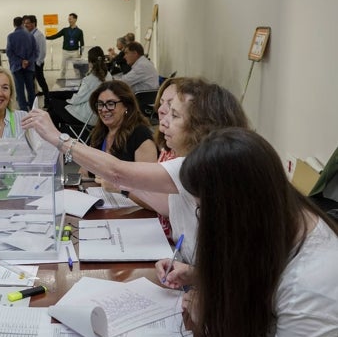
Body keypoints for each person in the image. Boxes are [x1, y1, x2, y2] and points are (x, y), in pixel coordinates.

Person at [166, 128, 338, 337]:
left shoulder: (311, 281)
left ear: (239, 210)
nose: (203, 219)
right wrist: (200, 275)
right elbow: (264, 273)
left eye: (203, 209)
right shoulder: (281, 220)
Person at [22, 79, 250, 265]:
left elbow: (117, 172)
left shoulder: (197, 166)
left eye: (175, 115)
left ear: (201, 125)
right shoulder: (195, 164)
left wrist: (59, 139)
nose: (163, 122)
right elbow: (165, 205)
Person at [86, 80, 157, 167]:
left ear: (126, 105)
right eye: (100, 104)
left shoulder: (140, 135)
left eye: (111, 104)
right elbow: (84, 172)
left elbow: (148, 178)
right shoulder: (99, 134)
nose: (104, 109)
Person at [46, 46, 112, 133]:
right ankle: (56, 135)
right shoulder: (109, 76)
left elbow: (77, 100)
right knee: (55, 107)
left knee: (53, 104)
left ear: (90, 62)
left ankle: (53, 136)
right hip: (97, 114)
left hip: (86, 117)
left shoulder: (90, 79)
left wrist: (67, 101)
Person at [152, 77, 185, 240]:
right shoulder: (166, 146)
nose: (161, 109)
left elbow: (170, 207)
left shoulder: (190, 158)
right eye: (162, 102)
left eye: (171, 106)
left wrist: (122, 183)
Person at [6, 16, 38, 112]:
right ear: (22, 23)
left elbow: (9, 53)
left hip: (16, 67)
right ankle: (33, 108)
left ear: (14, 24)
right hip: (29, 66)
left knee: (19, 89)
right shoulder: (30, 35)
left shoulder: (11, 36)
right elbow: (35, 52)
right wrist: (28, 61)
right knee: (30, 88)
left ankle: (23, 110)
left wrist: (20, 62)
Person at [46, 12, 85, 79]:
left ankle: (79, 80)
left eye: (70, 19)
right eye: (68, 19)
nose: (69, 20)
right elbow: (56, 35)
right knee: (63, 67)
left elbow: (82, 43)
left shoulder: (79, 31)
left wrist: (80, 53)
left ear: (75, 19)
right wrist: (46, 37)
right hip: (65, 52)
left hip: (75, 52)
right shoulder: (65, 30)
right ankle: (62, 79)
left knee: (77, 68)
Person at [23, 15, 50, 100]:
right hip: (30, 63)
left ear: (33, 23)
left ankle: (48, 101)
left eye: (27, 23)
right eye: (24, 23)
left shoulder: (39, 35)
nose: (25, 25)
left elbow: (42, 51)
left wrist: (38, 63)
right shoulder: (29, 34)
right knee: (31, 84)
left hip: (37, 63)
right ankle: (32, 102)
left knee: (41, 82)